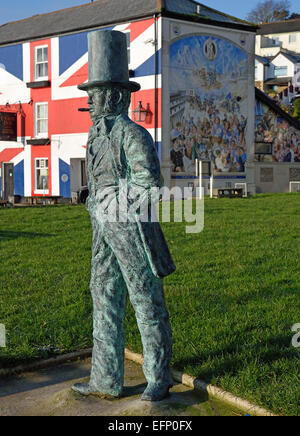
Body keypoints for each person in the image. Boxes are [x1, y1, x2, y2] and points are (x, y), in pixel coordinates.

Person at [72, 30, 175, 402]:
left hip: (128, 227)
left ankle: (158, 377)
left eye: (95, 94)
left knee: (145, 297)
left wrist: (114, 201)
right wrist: (94, 202)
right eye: (89, 94)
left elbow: (148, 183)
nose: (90, 102)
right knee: (103, 294)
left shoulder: (133, 135)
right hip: (101, 227)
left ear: (115, 96)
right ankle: (105, 378)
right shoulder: (95, 136)